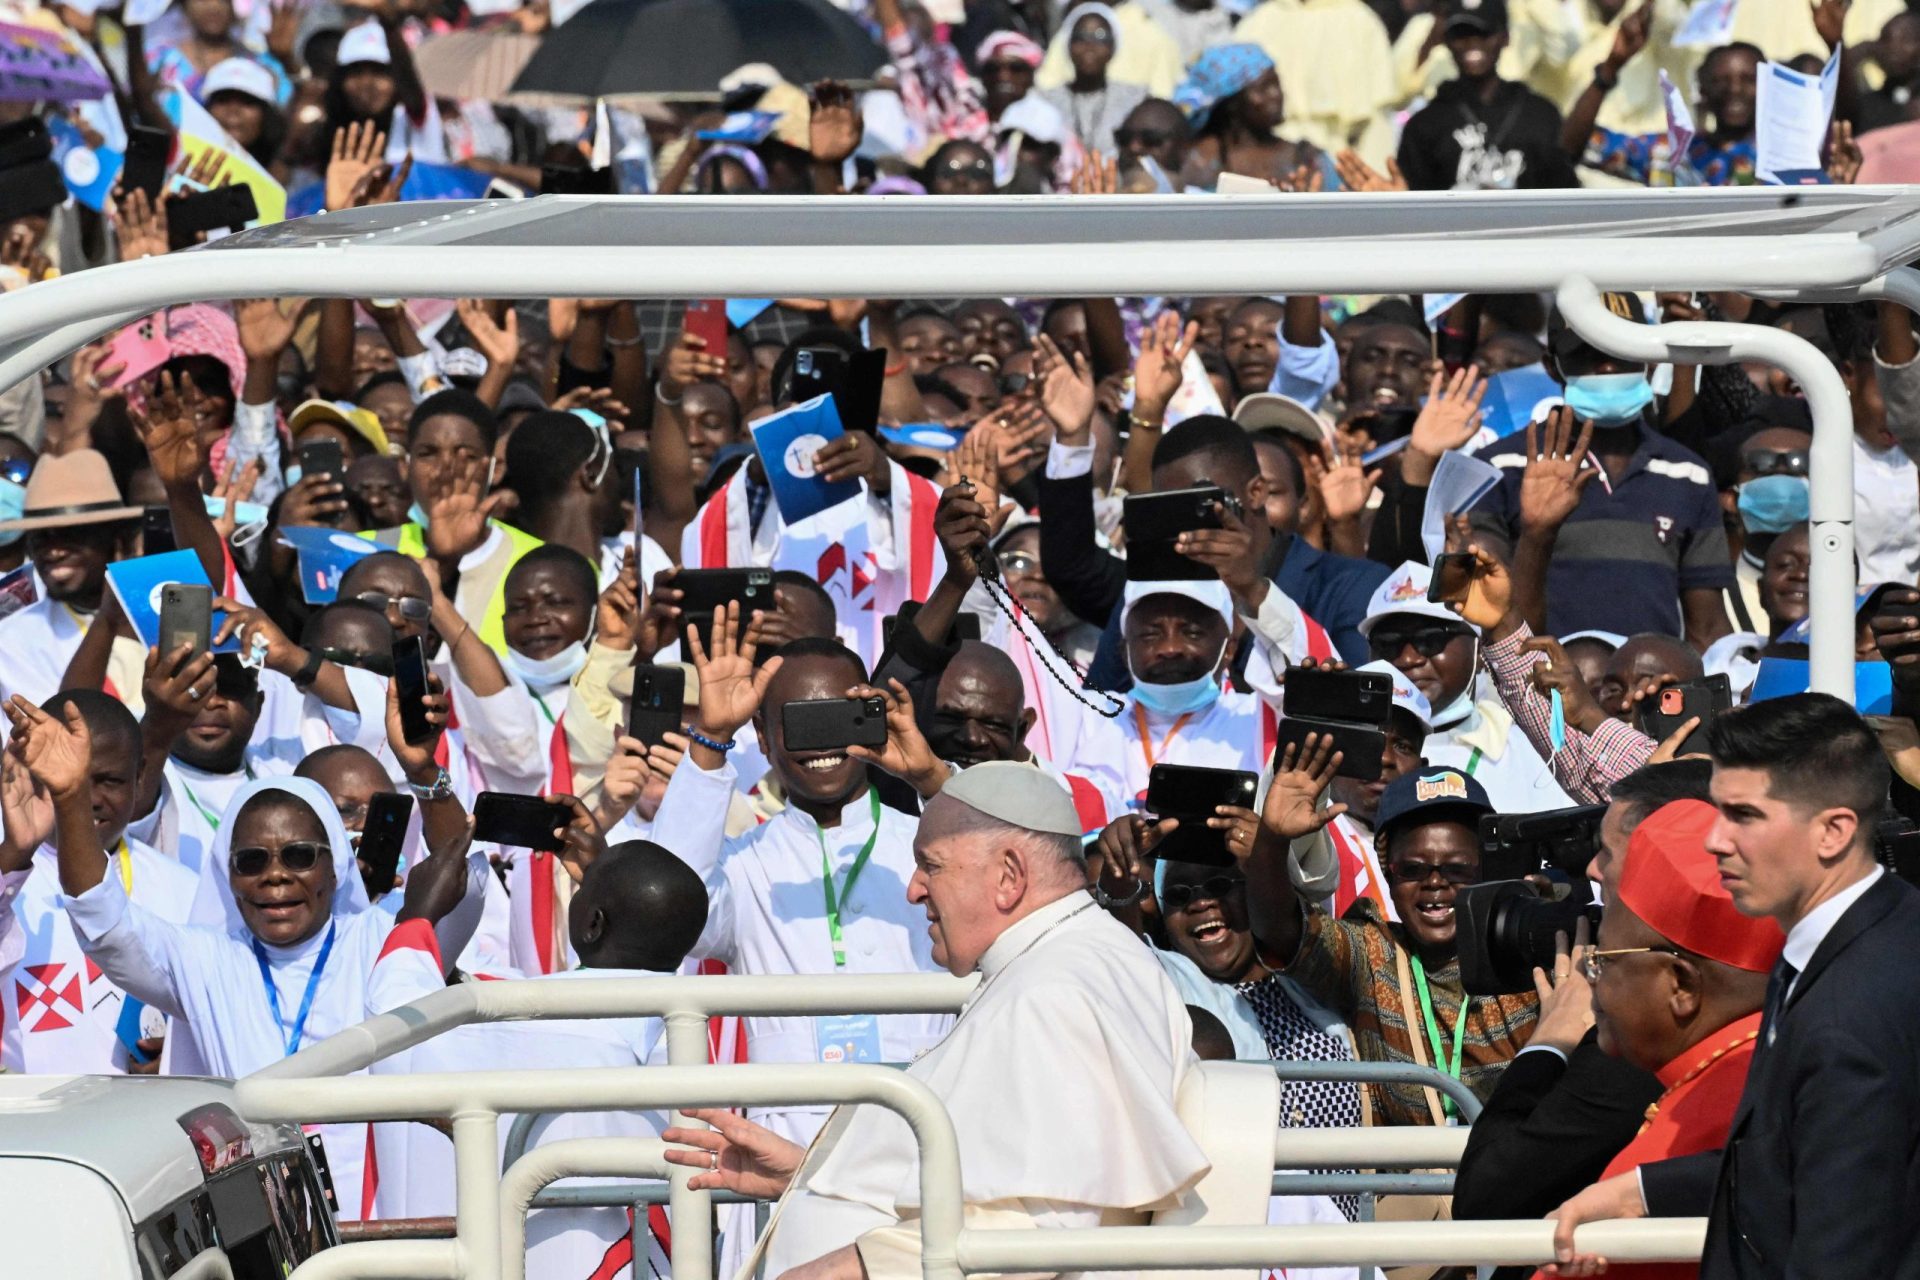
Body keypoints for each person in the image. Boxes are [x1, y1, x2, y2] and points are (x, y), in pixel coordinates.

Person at [660, 762, 1208, 1280]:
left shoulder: (1058, 987)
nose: (913, 889)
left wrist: (846, 1269)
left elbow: (1047, 1225)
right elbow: (1005, 1176)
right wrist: (813, 1175)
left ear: (1009, 876)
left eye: (932, 865)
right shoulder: (1056, 963)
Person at [13, 670, 478, 1220]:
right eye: (252, 861)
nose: (275, 877)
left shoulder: (384, 941)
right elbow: (106, 924)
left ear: (335, 864)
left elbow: (460, 885)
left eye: (300, 856)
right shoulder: (206, 959)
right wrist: (70, 803)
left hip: (384, 1217)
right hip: (253, 1228)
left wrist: (422, 770)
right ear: (228, 877)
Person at [1547, 694, 1920, 1278]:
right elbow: (1791, 1157)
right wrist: (1642, 1191)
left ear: (1833, 832)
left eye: (1743, 816)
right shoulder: (1872, 928)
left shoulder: (1850, 1014)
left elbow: (1843, 1244)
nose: (1716, 841)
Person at [646, 606, 953, 1153]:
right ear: (763, 739)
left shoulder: (931, 841)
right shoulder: (744, 865)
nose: (820, 744)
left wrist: (932, 777)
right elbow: (669, 908)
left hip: (922, 1130)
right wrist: (710, 740)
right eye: (799, 723)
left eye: (837, 718)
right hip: (781, 1142)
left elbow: (1008, 878)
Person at [370, 838, 709, 1280]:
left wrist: (419, 915)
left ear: (592, 924)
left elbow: (396, 1023)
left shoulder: (526, 1022)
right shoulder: (685, 1038)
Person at [1452, 762, 1709, 1234]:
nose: (1592, 869)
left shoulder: (1641, 1035)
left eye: (1608, 853)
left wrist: (1549, 1042)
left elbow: (1484, 1198)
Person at [1547, 798, 1782, 1280]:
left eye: (1604, 960)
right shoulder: (1770, 1060)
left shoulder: (1703, 1128)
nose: (1592, 979)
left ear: (1681, 985)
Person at [1244, 755, 1541, 1125]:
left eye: (1457, 869)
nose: (1435, 883)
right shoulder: (1373, 954)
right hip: (1412, 1181)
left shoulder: (1529, 955)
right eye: (1412, 870)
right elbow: (1279, 930)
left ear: (1485, 872)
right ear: (1388, 875)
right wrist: (1272, 841)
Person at [1471, 301, 1733, 649]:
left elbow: (1707, 627)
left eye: (1621, 351)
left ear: (1650, 358)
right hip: (1540, 690)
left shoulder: (1688, 474)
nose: (1607, 366)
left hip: (1651, 689)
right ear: (1553, 366)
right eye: (1586, 354)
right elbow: (1491, 612)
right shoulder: (1499, 465)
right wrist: (1537, 534)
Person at [0, 690, 199, 1075]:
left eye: (107, 780)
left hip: (148, 1126)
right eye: (66, 780)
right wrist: (15, 852)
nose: (84, 798)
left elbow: (214, 1012)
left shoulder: (185, 889)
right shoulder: (11, 869)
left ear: (139, 777)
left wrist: (179, 1056)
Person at [1363, 560, 1572, 814]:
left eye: (1431, 640)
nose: (1408, 659)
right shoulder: (1343, 754)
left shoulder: (1536, 753)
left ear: (1479, 649)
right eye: (1388, 644)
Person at [363, 389, 543, 657]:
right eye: (428, 453)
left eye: (466, 456)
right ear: (404, 467)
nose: (446, 469)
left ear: (496, 468)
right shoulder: (360, 549)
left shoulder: (538, 560)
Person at [0, 450, 143, 714]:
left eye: (72, 535)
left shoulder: (161, 602)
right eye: (41, 538)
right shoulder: (15, 639)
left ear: (118, 541)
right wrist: (107, 620)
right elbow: (64, 730)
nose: (54, 551)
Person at [1396, 0, 1577, 190]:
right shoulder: (1425, 124)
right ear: (1446, 40)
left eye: (1485, 33)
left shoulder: (1541, 116)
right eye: (1461, 34)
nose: (1472, 43)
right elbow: (1414, 203)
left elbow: (1563, 194)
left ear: (1505, 38)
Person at [1038, 4, 1150, 154]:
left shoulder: (1135, 100)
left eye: (1100, 36)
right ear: (1068, 44)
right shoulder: (1045, 100)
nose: (1089, 45)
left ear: (1114, 46)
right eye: (1080, 37)